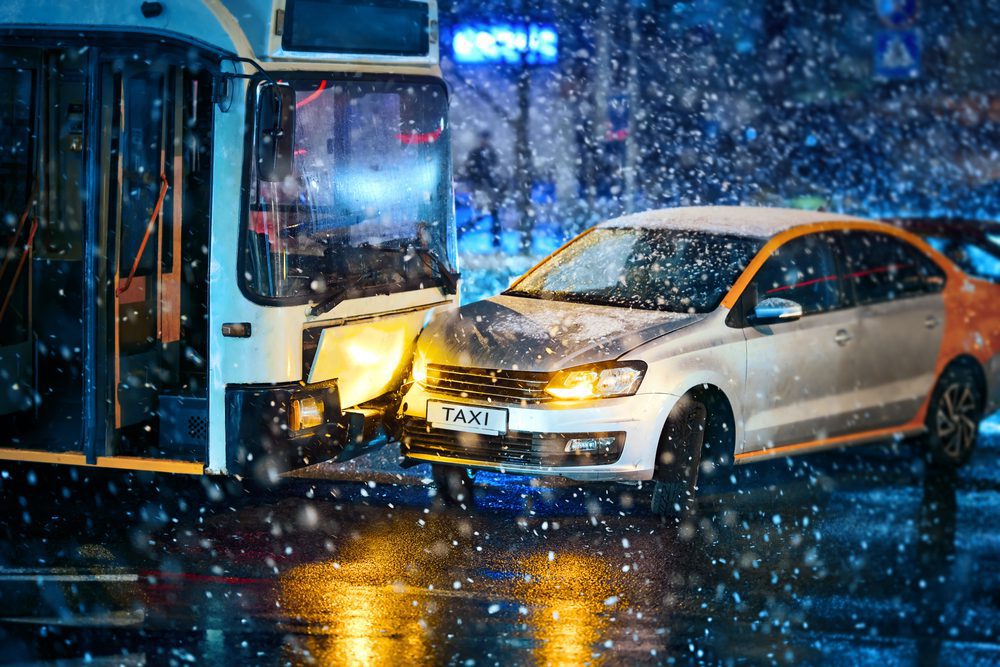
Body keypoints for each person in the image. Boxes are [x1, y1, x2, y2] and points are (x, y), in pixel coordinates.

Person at [465, 130, 502, 248]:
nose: (484, 141)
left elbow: (493, 170)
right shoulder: (478, 153)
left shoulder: (490, 153)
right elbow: (471, 170)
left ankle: (495, 240)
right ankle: (463, 233)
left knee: (491, 214)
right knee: (482, 214)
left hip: (487, 188)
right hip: (481, 188)